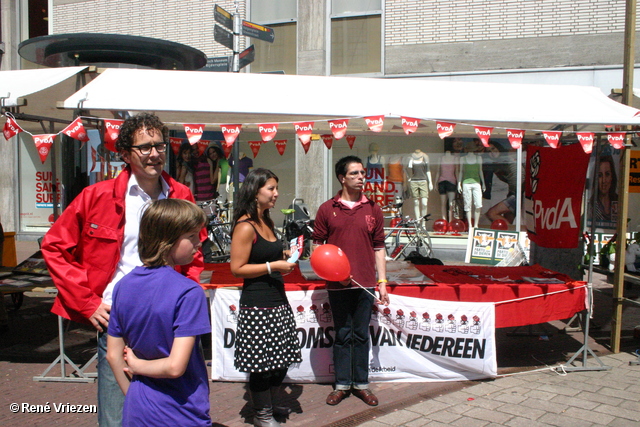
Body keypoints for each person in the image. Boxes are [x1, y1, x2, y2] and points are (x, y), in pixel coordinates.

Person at [41, 112, 204, 427]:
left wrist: (187, 294)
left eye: (159, 145)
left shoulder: (180, 195)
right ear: (126, 153)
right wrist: (86, 302)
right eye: (144, 147)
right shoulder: (96, 196)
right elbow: (54, 247)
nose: (155, 153)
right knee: (118, 413)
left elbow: (195, 255)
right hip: (119, 316)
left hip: (171, 317)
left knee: (179, 404)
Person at [106, 199, 210, 426]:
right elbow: (175, 366)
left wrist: (133, 394)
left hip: (137, 408)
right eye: (191, 235)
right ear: (168, 239)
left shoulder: (123, 286)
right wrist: (138, 366)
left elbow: (113, 355)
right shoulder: (188, 292)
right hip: (181, 410)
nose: (199, 242)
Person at [311, 155, 390, 408]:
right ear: (342, 178)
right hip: (337, 285)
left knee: (361, 335)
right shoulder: (327, 209)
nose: (360, 178)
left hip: (366, 284)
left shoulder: (373, 209)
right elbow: (316, 248)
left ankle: (362, 385)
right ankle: (342, 385)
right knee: (343, 335)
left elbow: (379, 248)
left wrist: (382, 282)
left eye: (362, 173)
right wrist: (335, 274)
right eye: (354, 174)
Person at [229, 168, 301, 427]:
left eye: (275, 188)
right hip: (257, 303)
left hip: (277, 299)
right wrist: (274, 266)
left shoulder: (267, 222)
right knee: (261, 364)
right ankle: (262, 414)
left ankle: (269, 403)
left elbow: (267, 256)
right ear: (254, 191)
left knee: (280, 359)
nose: (276, 194)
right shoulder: (245, 226)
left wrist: (284, 257)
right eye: (270, 188)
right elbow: (237, 268)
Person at [457, 140, 485, 229]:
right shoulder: (463, 159)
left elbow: (480, 171)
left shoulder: (478, 158)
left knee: (478, 204)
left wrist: (483, 183)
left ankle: (476, 225)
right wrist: (459, 183)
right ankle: (470, 225)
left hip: (476, 183)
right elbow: (461, 172)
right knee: (467, 205)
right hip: (466, 183)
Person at [407, 149, 433, 222]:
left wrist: (430, 182)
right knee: (416, 202)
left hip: (423, 181)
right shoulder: (411, 157)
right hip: (414, 182)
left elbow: (428, 170)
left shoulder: (425, 157)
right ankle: (418, 222)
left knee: (424, 203)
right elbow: (406, 169)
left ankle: (423, 223)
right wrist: (408, 177)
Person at [593, 155, 619, 223]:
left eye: (607, 174)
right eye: (600, 175)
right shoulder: (592, 205)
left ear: (612, 177)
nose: (603, 181)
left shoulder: (619, 201)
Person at [435, 150, 458, 223]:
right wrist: (435, 183)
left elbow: (456, 171)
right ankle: (444, 221)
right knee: (443, 203)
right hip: (442, 181)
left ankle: (451, 221)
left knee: (451, 204)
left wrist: (458, 183)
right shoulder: (440, 159)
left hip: (451, 182)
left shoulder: (455, 159)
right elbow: (438, 171)